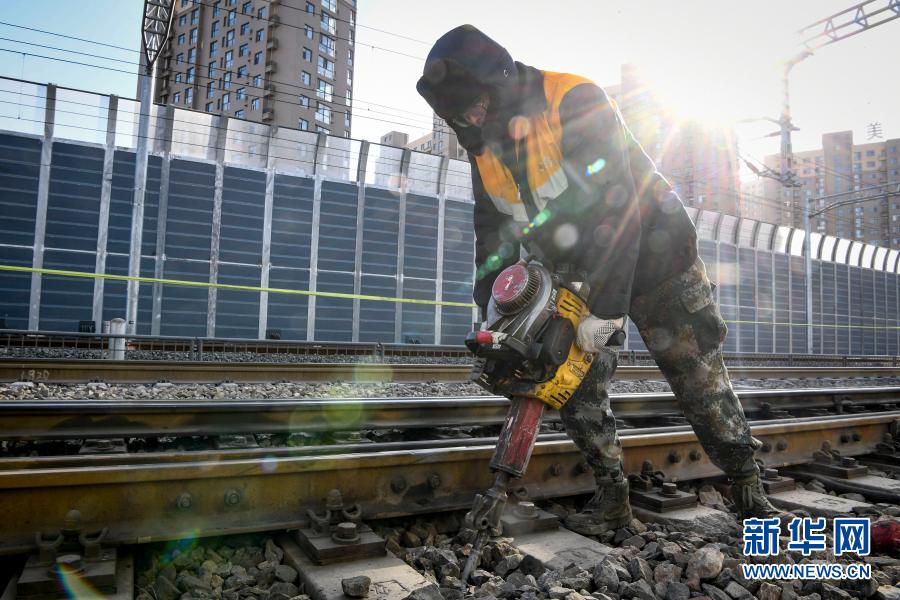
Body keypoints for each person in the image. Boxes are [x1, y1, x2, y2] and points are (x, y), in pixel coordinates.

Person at [416, 25, 787, 534]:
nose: (473, 119)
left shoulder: (571, 98)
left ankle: (748, 488)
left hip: (658, 257)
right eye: (460, 116)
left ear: (498, 81)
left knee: (695, 371)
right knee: (568, 379)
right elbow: (492, 231)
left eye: (477, 106)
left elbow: (621, 208)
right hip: (576, 269)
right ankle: (613, 501)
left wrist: (607, 310)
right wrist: (494, 306)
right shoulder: (483, 148)